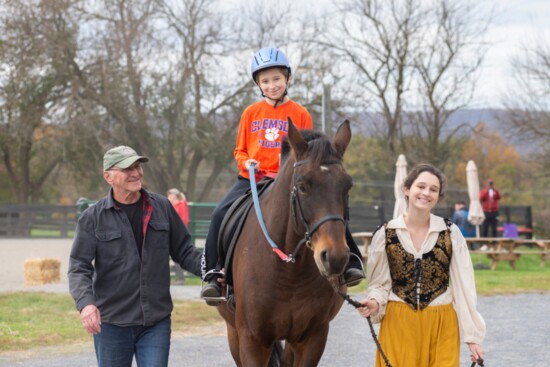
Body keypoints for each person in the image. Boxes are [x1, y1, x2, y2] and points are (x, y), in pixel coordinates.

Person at [200, 46, 365, 304]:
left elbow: (308, 153)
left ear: (287, 78)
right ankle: (213, 272)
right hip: (252, 179)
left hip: (287, 181)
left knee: (329, 210)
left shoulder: (300, 113)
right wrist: (247, 162)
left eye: (276, 79)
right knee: (220, 212)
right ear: (258, 84)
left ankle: (351, 260)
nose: (272, 85)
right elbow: (239, 150)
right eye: (265, 81)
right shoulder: (250, 113)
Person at [68, 145, 202, 367]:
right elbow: (79, 266)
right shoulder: (92, 217)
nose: (136, 173)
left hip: (155, 322)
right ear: (108, 176)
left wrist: (211, 269)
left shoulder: (162, 207)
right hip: (111, 323)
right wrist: (86, 304)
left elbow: (184, 250)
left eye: (137, 166)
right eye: (127, 168)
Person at [356, 163, 485, 367]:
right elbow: (379, 284)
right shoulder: (385, 234)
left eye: (433, 189)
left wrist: (473, 337)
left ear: (438, 197)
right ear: (407, 189)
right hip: (398, 323)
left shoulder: (451, 233)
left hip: (442, 322)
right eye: (421, 186)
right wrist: (374, 302)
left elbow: (464, 287)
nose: (426, 193)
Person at [167, 188, 190, 284]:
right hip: (172, 232)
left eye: (169, 195)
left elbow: (184, 220)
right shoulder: (172, 206)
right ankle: (178, 278)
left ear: (174, 196)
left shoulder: (181, 205)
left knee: (178, 255)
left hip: (178, 233)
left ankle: (180, 279)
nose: (168, 197)